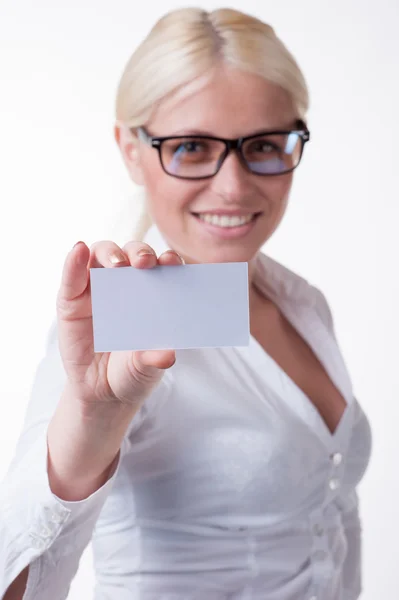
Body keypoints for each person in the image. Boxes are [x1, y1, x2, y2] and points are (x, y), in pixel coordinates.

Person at [0, 7, 372, 600]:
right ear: (130, 148)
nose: (234, 186)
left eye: (266, 145)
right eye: (193, 146)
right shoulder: (118, 331)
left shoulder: (304, 306)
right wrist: (88, 430)